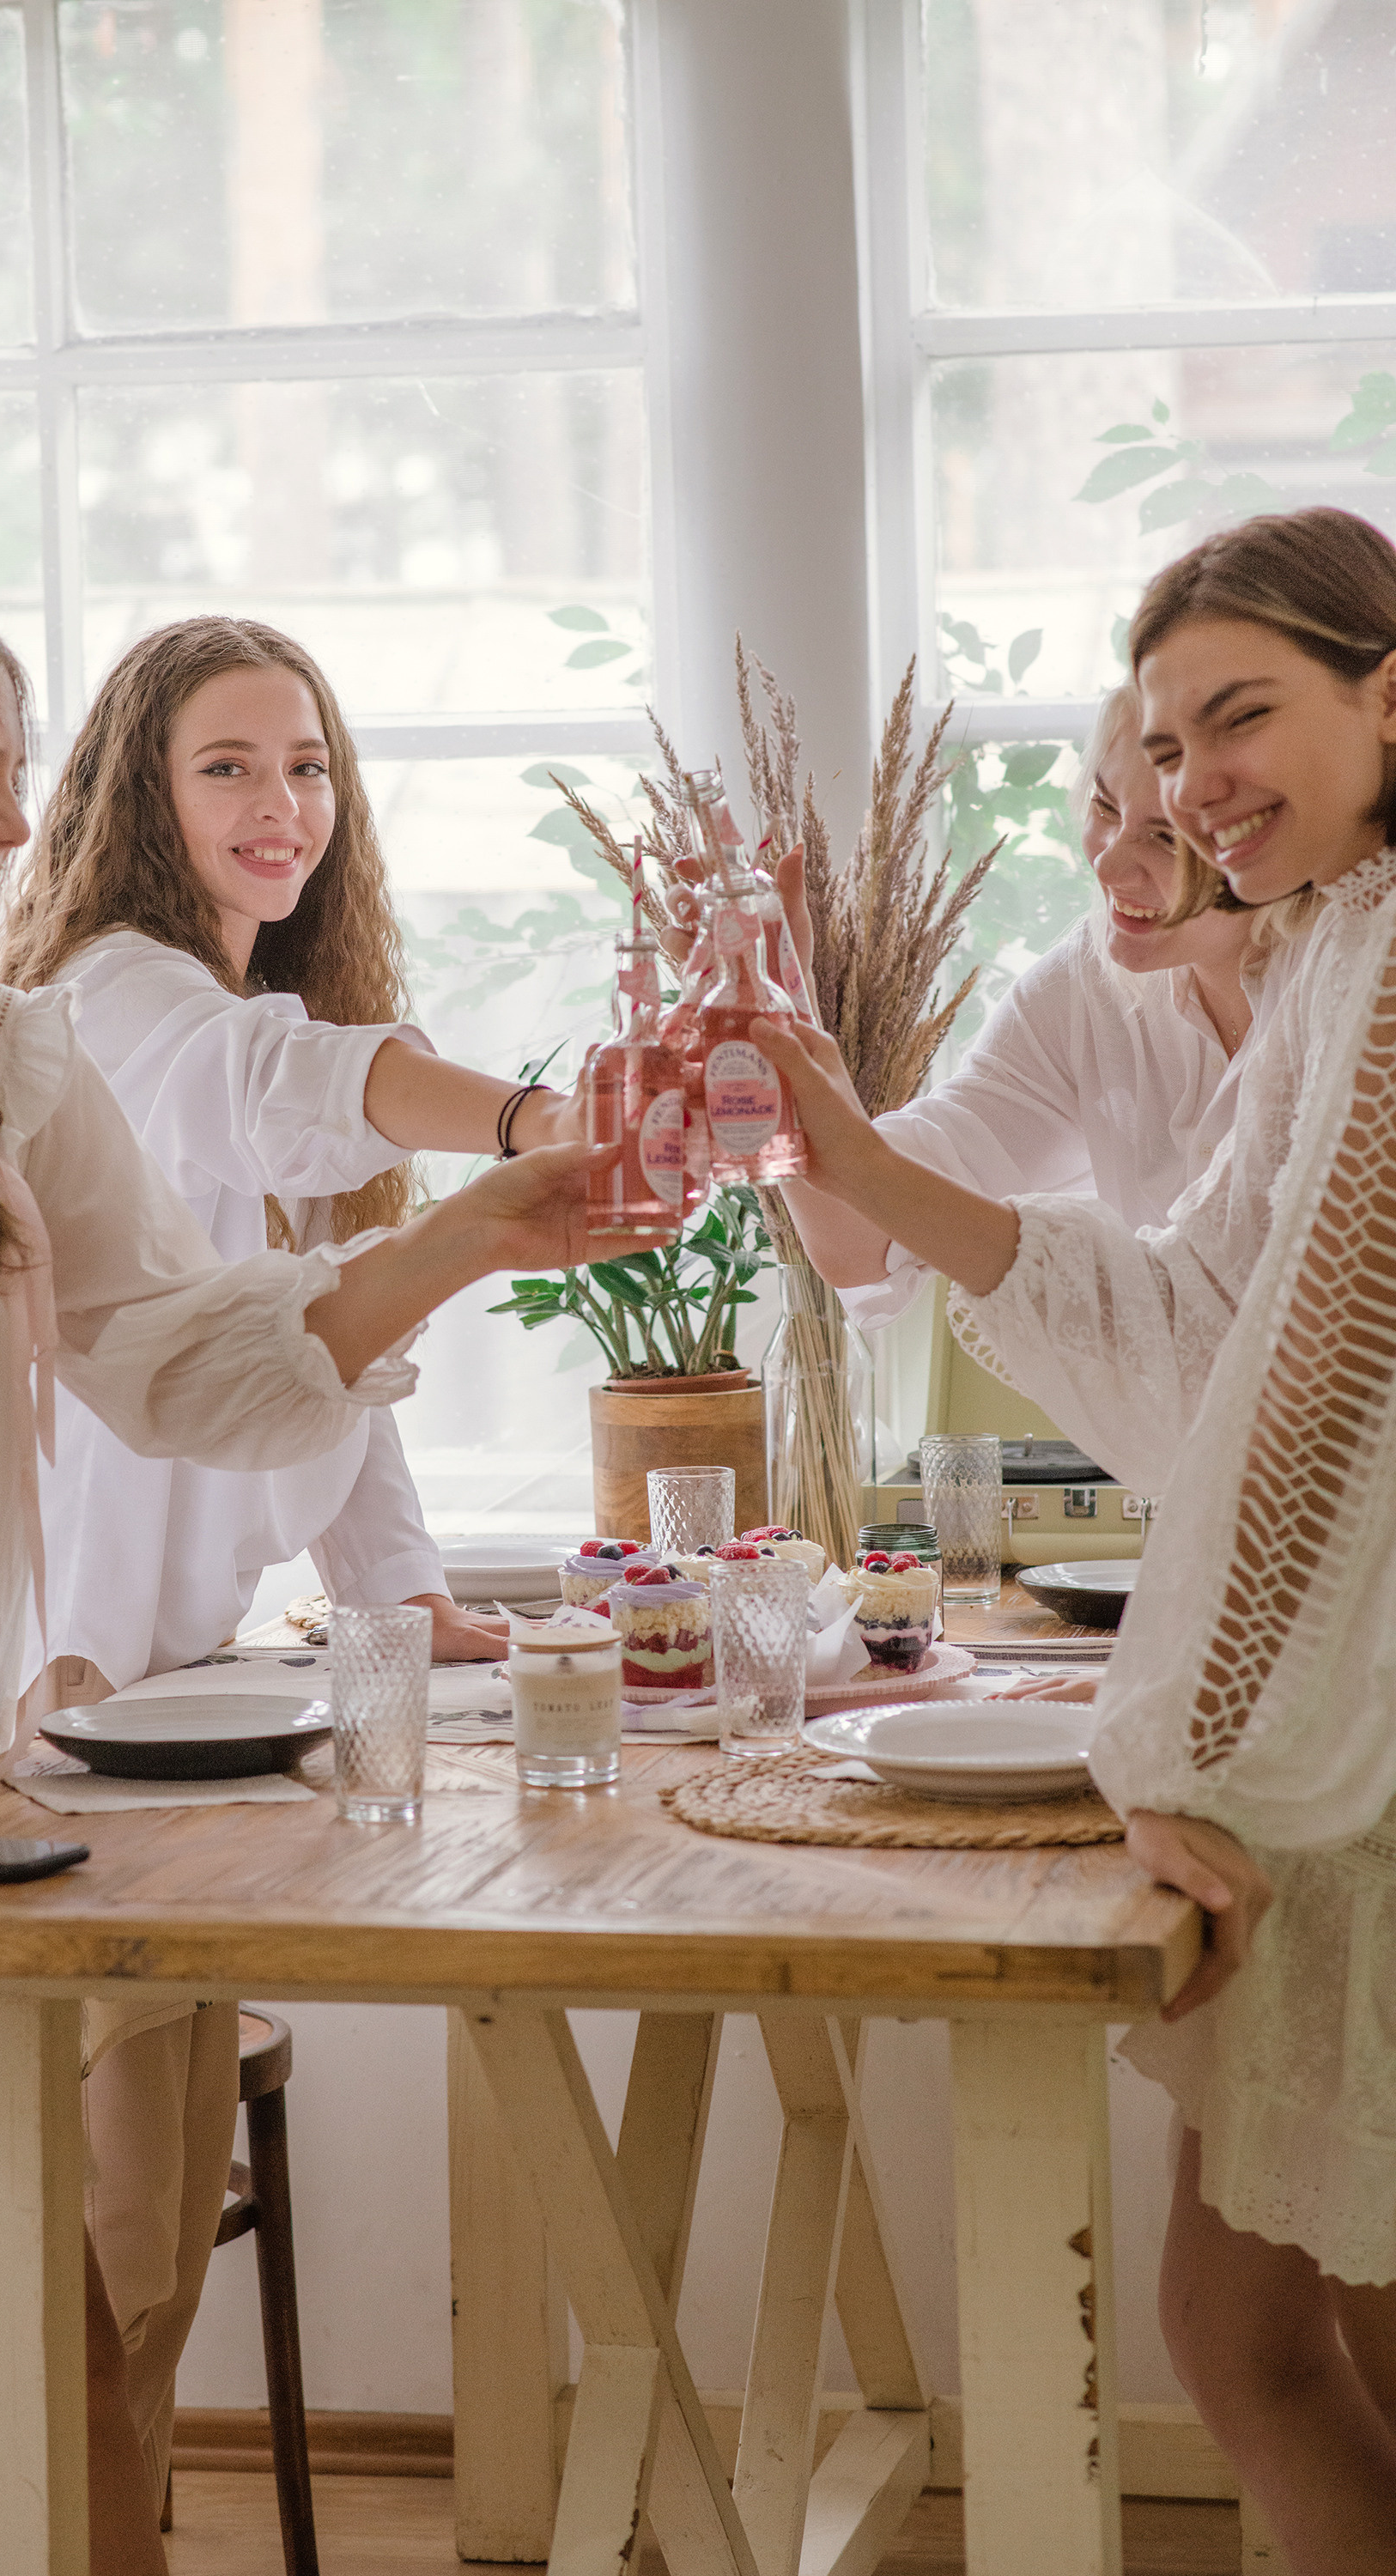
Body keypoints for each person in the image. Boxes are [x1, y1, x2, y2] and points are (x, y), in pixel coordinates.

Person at [0, 574, 635, 2574]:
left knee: (26, 2357)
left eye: (22, 779)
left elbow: (195, 1361)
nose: (14, 827)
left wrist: (471, 1231)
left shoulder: (12, 1057)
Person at [751, 508, 1396, 2570]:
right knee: (1245, 2331)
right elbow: (1199, 1333)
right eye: (1154, 740)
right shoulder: (1331, 951)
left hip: (1354, 1743)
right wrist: (846, 1153)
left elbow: (1318, 1417)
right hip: (1326, 1760)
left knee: (1280, 2330)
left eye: (1238, 717)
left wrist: (1174, 1736)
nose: (1187, 786)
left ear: (1385, 697)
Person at [0, 616, 596, 2505]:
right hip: (52, 1705)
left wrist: (405, 1593)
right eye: (229, 767)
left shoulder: (247, 1026)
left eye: (310, 765)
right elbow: (277, 1077)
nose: (282, 807)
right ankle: (49, 2532)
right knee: (105, 2234)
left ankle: (109, 2526)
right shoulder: (110, 999)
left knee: (147, 2241)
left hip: (170, 1713)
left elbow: (315, 1359)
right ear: (137, 799)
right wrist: (527, 1126)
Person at [779, 680, 1310, 1331]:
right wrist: (775, 1010)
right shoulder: (1089, 982)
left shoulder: (1355, 995)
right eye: (1105, 807)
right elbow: (859, 1244)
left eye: (1167, 838)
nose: (1108, 866)